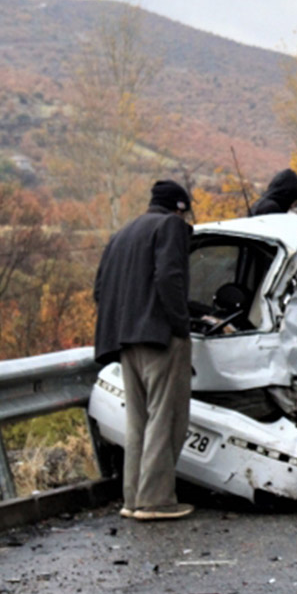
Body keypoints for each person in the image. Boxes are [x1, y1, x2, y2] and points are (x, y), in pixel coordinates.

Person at [93, 180, 196, 521]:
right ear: (179, 208)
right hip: (161, 338)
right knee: (166, 418)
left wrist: (127, 322)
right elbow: (169, 278)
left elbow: (99, 290)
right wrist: (181, 324)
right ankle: (156, 501)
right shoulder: (170, 227)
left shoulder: (121, 235)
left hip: (125, 341)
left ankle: (133, 498)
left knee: (138, 422)